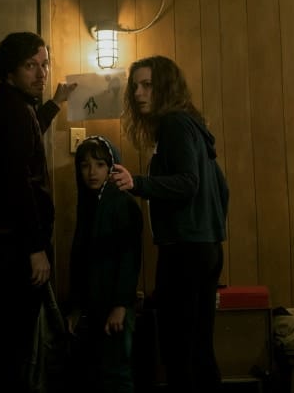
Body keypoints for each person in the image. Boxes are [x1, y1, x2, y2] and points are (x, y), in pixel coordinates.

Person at [109, 55, 229, 393]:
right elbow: (222, 188)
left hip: (185, 250)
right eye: (135, 86)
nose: (138, 93)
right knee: (199, 348)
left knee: (179, 351)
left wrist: (137, 183)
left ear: (165, 87)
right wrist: (208, 227)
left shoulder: (175, 125)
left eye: (147, 85)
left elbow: (188, 183)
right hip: (205, 247)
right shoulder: (192, 126)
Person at [0, 31, 76, 393]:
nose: (42, 73)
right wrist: (35, 248)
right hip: (15, 247)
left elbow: (25, 142)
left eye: (44, 64)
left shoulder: (9, 108)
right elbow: (17, 182)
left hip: (8, 242)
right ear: (10, 71)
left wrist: (55, 104)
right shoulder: (11, 112)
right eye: (31, 65)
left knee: (15, 342)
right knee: (18, 346)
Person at [66, 136, 143, 393]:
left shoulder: (122, 203)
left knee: (117, 373)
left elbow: (129, 258)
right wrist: (75, 307)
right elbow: (79, 259)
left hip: (115, 304)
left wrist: (120, 305)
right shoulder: (88, 204)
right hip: (92, 305)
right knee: (96, 373)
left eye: (99, 165)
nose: (92, 172)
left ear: (112, 167)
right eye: (85, 165)